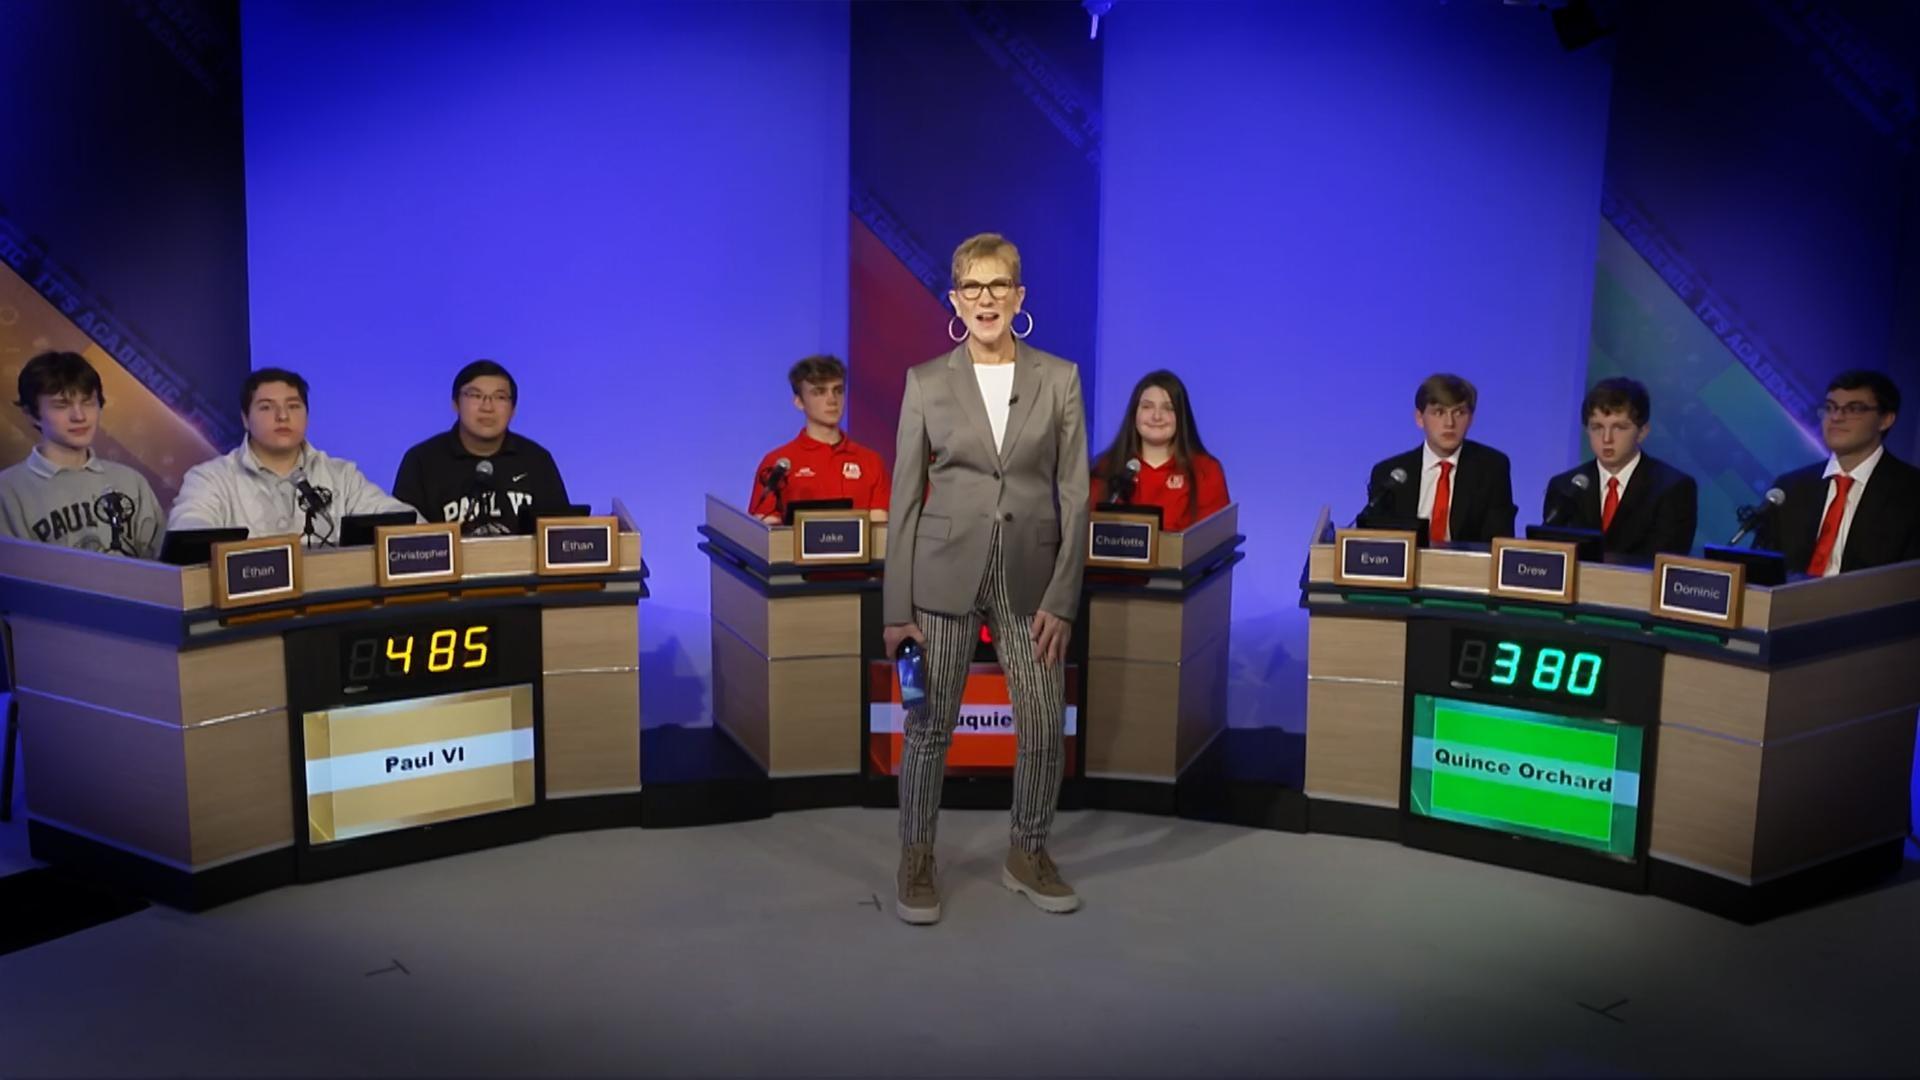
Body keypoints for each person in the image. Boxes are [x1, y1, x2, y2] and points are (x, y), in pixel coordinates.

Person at [882, 233, 1089, 925]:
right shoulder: (925, 382)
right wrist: (896, 610)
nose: (986, 299)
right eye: (972, 286)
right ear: (955, 299)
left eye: (999, 285)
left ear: (1019, 296)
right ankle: (916, 857)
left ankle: (1027, 852)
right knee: (927, 723)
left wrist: (1064, 597)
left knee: (1042, 724)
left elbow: (1075, 497)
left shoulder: (1059, 378)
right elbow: (904, 500)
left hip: (1032, 577)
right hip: (941, 576)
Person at [168, 368, 417, 545]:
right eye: (267, 407)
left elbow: (400, 519)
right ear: (245, 418)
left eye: (293, 406)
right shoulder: (210, 479)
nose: (283, 416)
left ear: (307, 415)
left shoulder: (341, 476)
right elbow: (189, 531)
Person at [0, 351, 162, 558]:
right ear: (32, 414)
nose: (79, 416)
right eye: (62, 405)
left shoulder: (131, 482)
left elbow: (165, 564)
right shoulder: (8, 491)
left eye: (88, 402)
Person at [1757, 370, 1920, 576]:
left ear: (1885, 420)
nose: (1836, 417)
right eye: (1830, 408)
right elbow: (1764, 572)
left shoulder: (1912, 492)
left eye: (1854, 409)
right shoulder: (1789, 489)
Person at [392, 360, 572, 535]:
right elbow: (401, 539)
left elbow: (562, 535)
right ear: (455, 403)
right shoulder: (422, 461)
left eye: (500, 397)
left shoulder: (536, 460)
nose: (487, 407)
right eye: (475, 396)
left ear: (513, 409)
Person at [1541, 377, 1696, 558]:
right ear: (1587, 430)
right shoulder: (1565, 488)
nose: (1606, 439)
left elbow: (1664, 560)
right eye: (1597, 427)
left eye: (1619, 428)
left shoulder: (1673, 489)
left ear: (1642, 432)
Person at [1362, 373, 1516, 543]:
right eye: (1439, 412)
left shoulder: (1492, 469)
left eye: (1459, 413)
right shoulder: (1389, 474)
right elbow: (1377, 544)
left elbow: (1498, 543)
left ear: (1471, 419)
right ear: (1420, 418)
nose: (1449, 423)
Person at [747, 355, 889, 524]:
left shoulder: (871, 461)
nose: (832, 400)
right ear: (799, 402)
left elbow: (879, 530)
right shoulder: (777, 464)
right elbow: (766, 530)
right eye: (819, 392)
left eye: (838, 390)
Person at [1090, 369, 1229, 532]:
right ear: (1134, 414)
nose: (1157, 416)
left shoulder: (1205, 470)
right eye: (1147, 407)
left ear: (1181, 417)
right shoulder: (1105, 468)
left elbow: (1214, 538)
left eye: (1168, 408)